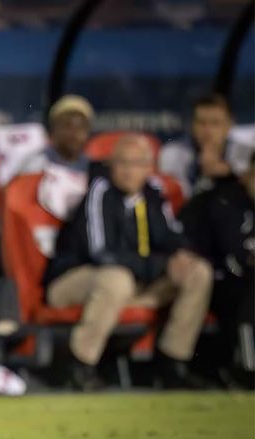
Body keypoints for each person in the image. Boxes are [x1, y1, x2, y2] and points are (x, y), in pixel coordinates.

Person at [43, 135, 213, 389]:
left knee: (197, 271)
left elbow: (172, 236)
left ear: (149, 167)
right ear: (111, 165)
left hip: (136, 283)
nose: (129, 170)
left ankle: (171, 363)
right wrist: (162, 265)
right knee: (116, 279)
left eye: (137, 163)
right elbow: (101, 253)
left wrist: (181, 255)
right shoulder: (100, 192)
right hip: (75, 281)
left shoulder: (153, 194)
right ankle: (81, 365)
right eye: (122, 162)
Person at [180, 154, 254, 380]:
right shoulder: (226, 203)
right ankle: (248, 369)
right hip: (223, 282)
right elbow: (233, 259)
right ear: (246, 175)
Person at [159, 94, 254, 197]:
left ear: (229, 125)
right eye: (201, 123)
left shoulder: (248, 154)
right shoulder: (172, 153)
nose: (207, 131)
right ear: (191, 124)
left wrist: (228, 173)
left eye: (215, 123)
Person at [18, 94, 94, 221]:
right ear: (53, 130)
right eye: (67, 126)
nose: (74, 133)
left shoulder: (93, 169)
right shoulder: (35, 165)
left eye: (80, 127)